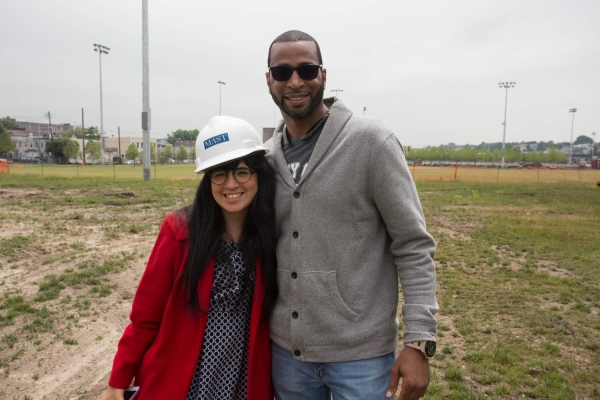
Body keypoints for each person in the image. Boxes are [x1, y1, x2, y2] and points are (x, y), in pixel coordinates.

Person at [264, 30, 438, 400]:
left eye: (306, 69)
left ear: (323, 76)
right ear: (269, 80)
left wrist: (420, 341)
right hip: (285, 357)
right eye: (282, 72)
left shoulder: (371, 143)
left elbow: (412, 245)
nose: (295, 81)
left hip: (362, 359)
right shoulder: (266, 159)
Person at [101, 116, 277, 400]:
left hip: (241, 381)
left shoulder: (270, 236)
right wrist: (118, 378)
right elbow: (145, 316)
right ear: (208, 180)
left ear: (259, 174)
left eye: (242, 172)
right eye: (219, 174)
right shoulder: (179, 232)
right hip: (182, 381)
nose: (231, 184)